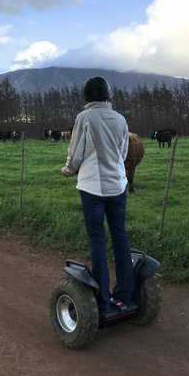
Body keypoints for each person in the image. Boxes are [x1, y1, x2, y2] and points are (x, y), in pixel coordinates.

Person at [62, 76, 135, 315]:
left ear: (87, 96)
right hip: (118, 186)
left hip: (92, 188)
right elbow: (123, 152)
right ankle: (125, 294)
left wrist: (69, 170)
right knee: (120, 237)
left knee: (97, 240)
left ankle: (103, 300)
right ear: (107, 95)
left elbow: (76, 151)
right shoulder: (121, 119)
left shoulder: (85, 117)